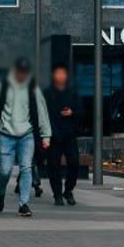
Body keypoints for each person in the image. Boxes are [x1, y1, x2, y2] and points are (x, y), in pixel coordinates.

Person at [0, 57, 51, 216]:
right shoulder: (3, 88)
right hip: (5, 135)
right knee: (5, 170)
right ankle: (1, 192)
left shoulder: (33, 89)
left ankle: (24, 204)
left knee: (26, 168)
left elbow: (42, 112)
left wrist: (46, 135)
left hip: (27, 135)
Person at [42, 63, 82, 205]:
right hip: (53, 133)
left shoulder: (72, 92)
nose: (60, 76)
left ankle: (68, 190)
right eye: (58, 73)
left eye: (63, 74)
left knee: (74, 162)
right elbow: (43, 113)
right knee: (53, 165)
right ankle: (57, 194)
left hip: (69, 133)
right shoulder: (48, 93)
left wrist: (72, 113)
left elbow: (80, 110)